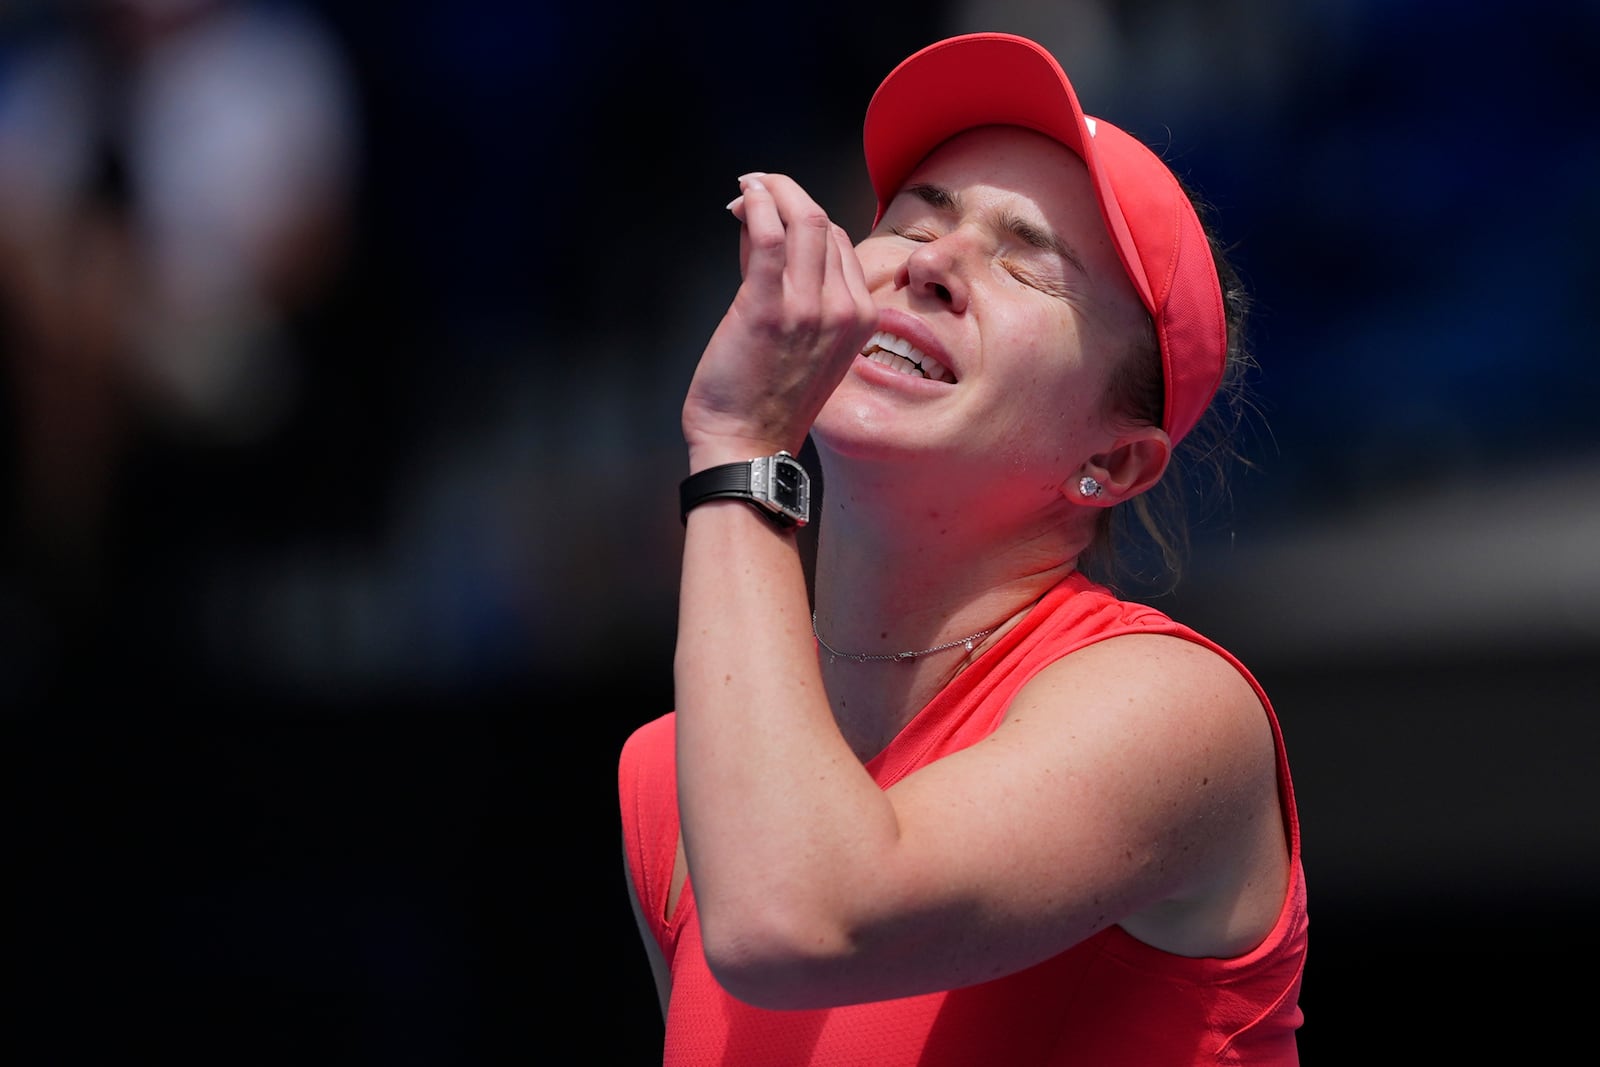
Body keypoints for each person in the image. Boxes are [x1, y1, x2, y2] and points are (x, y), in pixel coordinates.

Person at [618, 31, 1306, 1065]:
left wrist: (741, 447)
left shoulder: (1174, 711)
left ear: (1113, 465)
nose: (933, 264)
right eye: (912, 219)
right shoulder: (669, 771)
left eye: (1026, 263)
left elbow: (800, 919)